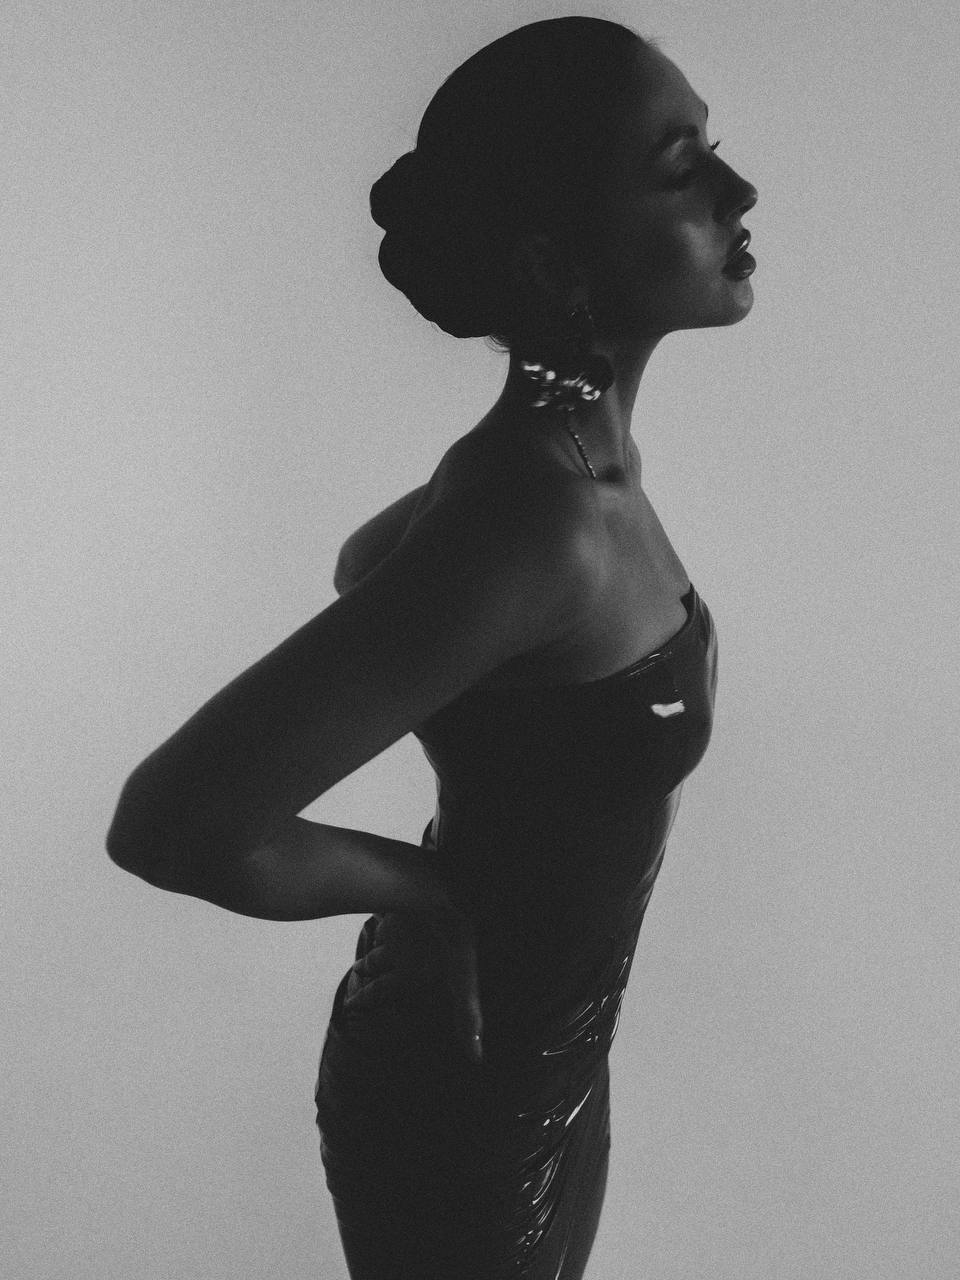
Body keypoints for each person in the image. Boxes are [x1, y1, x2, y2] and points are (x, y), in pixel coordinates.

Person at [106, 15, 757, 1279]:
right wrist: (433, 891)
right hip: (466, 1096)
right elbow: (173, 822)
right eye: (683, 170)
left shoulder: (562, 470)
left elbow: (373, 560)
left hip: (554, 1048)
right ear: (558, 261)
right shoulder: (538, 522)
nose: (740, 192)